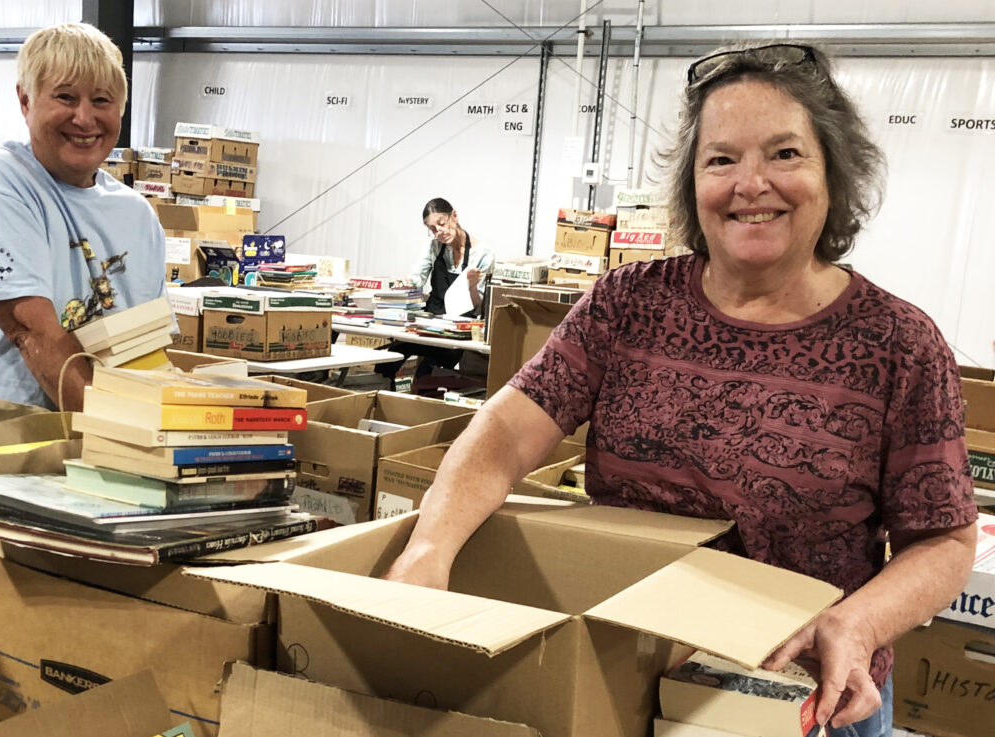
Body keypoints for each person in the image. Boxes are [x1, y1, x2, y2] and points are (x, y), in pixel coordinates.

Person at [384, 42, 977, 737]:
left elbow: (943, 540)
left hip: (799, 699)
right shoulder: (628, 304)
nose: (750, 183)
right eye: (721, 159)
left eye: (784, 154)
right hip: (623, 679)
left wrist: (857, 620)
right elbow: (507, 432)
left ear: (833, 170)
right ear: (694, 182)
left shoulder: (898, 343)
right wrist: (429, 549)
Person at [0, 23, 167, 411]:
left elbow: (146, 351)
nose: (84, 118)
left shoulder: (138, 215)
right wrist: (128, 433)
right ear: (26, 101)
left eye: (101, 100)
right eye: (65, 97)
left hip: (107, 434)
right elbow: (30, 331)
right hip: (7, 438)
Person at [378, 197, 494, 386]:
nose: (439, 232)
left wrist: (471, 286)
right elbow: (418, 278)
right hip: (430, 322)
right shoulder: (434, 247)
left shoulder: (483, 255)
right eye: (432, 229)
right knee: (387, 362)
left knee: (426, 374)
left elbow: (478, 301)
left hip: (457, 332)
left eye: (441, 223)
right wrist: (406, 284)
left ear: (454, 216)